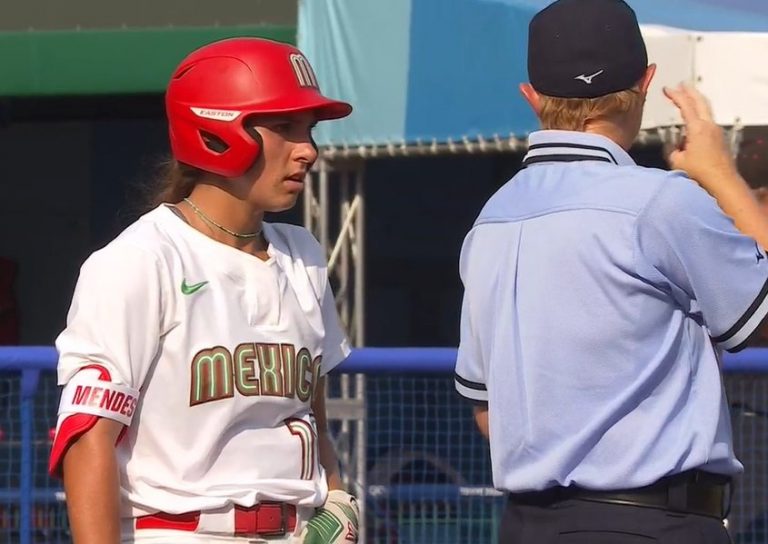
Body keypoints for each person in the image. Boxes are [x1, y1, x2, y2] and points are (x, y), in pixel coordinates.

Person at [454, 0, 768, 542]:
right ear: (646, 83)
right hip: (653, 520)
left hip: (530, 525)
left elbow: (486, 412)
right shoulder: (662, 202)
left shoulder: (490, 221)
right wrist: (722, 175)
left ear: (531, 96)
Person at [49, 37, 360, 544]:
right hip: (180, 531)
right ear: (216, 130)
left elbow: (312, 417)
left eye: (310, 129)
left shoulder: (303, 255)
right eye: (284, 127)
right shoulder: (142, 259)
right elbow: (88, 442)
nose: (308, 149)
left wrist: (339, 495)